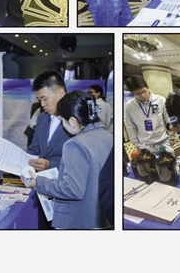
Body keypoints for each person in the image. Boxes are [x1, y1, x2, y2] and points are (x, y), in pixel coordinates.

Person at [24, 91, 113, 229]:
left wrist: (39, 182)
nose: (62, 124)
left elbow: (72, 189)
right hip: (103, 217)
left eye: (62, 120)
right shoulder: (110, 137)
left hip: (78, 220)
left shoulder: (75, 144)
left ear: (72, 121)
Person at [26, 71, 71, 229]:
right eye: (39, 100)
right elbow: (34, 149)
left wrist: (49, 165)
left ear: (60, 93)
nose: (42, 104)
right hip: (42, 192)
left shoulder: (75, 121)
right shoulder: (42, 118)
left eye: (45, 99)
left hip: (65, 194)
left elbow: (81, 164)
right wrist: (22, 161)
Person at [124, 75, 174, 154]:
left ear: (147, 87)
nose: (143, 95)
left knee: (168, 161)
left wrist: (172, 137)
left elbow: (168, 120)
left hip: (163, 142)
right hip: (144, 145)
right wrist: (136, 144)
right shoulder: (130, 106)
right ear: (132, 93)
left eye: (144, 91)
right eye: (138, 94)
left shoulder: (160, 100)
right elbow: (130, 126)